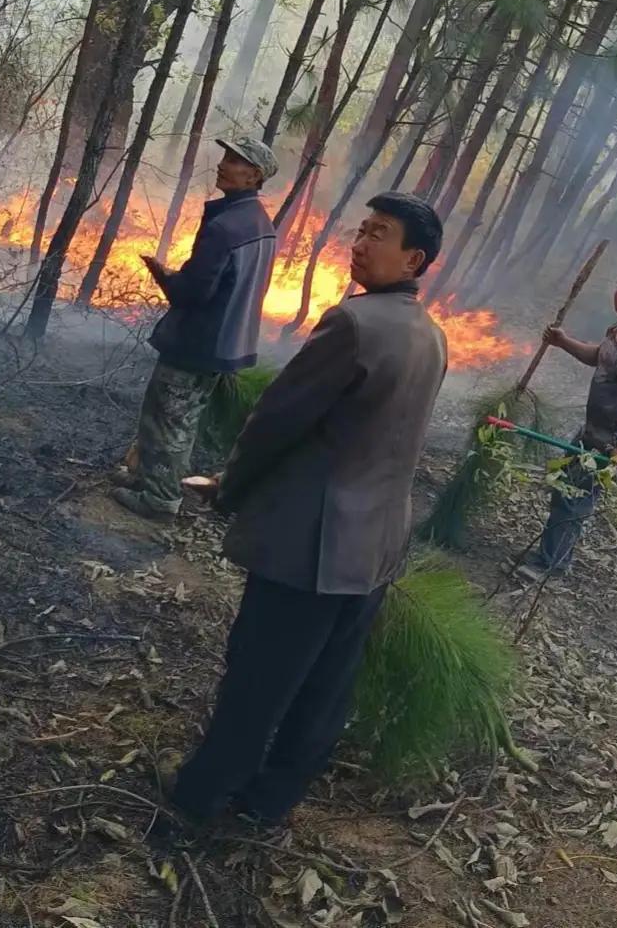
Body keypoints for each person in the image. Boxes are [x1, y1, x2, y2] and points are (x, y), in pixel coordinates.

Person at [168, 192, 448, 828]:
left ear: (414, 259)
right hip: (376, 548)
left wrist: (228, 488)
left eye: (380, 234)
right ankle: (269, 804)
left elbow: (276, 422)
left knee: (257, 684)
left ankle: (200, 799)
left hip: (312, 548)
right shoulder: (431, 334)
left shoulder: (352, 325)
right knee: (323, 691)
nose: (361, 242)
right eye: (362, 229)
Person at [113, 135, 278, 520]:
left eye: (234, 161)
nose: (222, 164)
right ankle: (145, 479)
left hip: (198, 342)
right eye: (225, 157)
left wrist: (164, 275)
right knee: (177, 416)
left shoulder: (226, 228)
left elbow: (192, 293)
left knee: (169, 420)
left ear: (254, 176)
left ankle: (159, 499)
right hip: (224, 344)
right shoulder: (260, 223)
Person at [518, 263, 617, 581]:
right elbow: (598, 357)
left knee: (575, 499)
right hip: (592, 432)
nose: (613, 291)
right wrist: (564, 342)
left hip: (612, 443)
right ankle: (549, 554)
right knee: (565, 490)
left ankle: (551, 567)